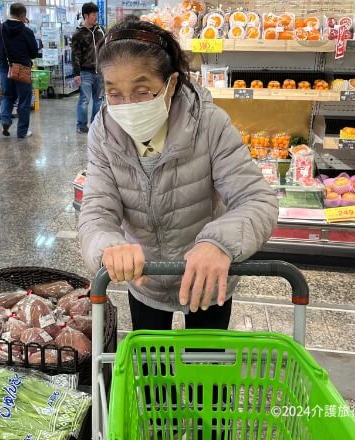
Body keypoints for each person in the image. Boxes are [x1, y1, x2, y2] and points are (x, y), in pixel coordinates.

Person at [78, 17, 278, 332]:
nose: (127, 105)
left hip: (206, 277)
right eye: (114, 93)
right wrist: (108, 245)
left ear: (171, 84)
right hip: (146, 280)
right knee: (153, 375)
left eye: (142, 91)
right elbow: (96, 209)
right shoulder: (104, 133)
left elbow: (256, 199)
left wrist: (218, 243)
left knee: (207, 372)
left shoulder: (209, 124)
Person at [0, 3, 39, 139]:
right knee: (24, 100)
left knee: (7, 95)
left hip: (6, 67)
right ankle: (22, 132)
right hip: (22, 69)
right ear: (22, 15)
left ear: (10, 13)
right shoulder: (26, 31)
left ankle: (5, 120)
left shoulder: (0, 28)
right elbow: (34, 52)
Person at [71, 3, 105, 134]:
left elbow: (105, 48)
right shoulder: (78, 34)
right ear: (86, 15)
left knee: (99, 101)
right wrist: (76, 73)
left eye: (96, 14)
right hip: (85, 72)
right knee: (84, 100)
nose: (96, 17)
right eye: (93, 14)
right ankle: (81, 125)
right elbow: (75, 55)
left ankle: (95, 125)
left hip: (100, 72)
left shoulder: (101, 30)